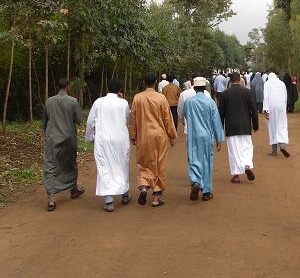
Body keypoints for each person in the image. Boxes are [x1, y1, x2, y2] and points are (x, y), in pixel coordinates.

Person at [130, 73, 178, 207]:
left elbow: (133, 118)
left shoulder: (137, 98)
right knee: (159, 165)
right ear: (156, 82)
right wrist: (172, 136)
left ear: (144, 82)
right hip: (159, 136)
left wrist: (133, 136)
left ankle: (144, 186)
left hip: (143, 136)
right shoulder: (161, 98)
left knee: (143, 163)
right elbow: (167, 119)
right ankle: (156, 198)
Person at [85, 79, 131, 212]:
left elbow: (89, 122)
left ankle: (109, 200)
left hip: (103, 139)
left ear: (107, 88)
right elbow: (128, 118)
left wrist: (90, 137)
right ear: (119, 90)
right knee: (122, 165)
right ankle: (125, 194)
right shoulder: (123, 103)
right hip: (120, 139)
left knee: (104, 167)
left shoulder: (99, 102)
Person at [42, 78, 84, 211]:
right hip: (68, 138)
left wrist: (47, 133)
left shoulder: (49, 101)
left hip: (52, 138)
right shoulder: (73, 101)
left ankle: (51, 199)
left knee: (50, 166)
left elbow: (44, 121)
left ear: (58, 87)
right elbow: (79, 119)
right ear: (68, 87)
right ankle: (73, 190)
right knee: (69, 164)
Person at [183, 77, 224, 201]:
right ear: (205, 88)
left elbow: (185, 115)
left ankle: (195, 182)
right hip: (207, 136)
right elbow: (215, 121)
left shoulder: (189, 102)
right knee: (207, 162)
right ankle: (206, 191)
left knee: (193, 159)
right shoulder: (210, 102)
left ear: (194, 88)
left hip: (193, 135)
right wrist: (219, 138)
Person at [219, 73, 259, 183]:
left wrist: (220, 129)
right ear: (240, 80)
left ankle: (236, 176)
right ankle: (247, 166)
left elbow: (221, 114)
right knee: (247, 147)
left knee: (234, 151)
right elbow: (254, 110)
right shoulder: (248, 92)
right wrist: (255, 125)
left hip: (231, 127)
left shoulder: (224, 94)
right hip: (245, 125)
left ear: (230, 81)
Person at [263, 72, 290, 157]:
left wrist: (265, 110)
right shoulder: (282, 83)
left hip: (271, 107)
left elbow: (266, 97)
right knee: (281, 126)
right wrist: (285, 107)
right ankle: (282, 146)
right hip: (281, 107)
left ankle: (274, 151)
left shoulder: (267, 84)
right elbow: (285, 96)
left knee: (272, 127)